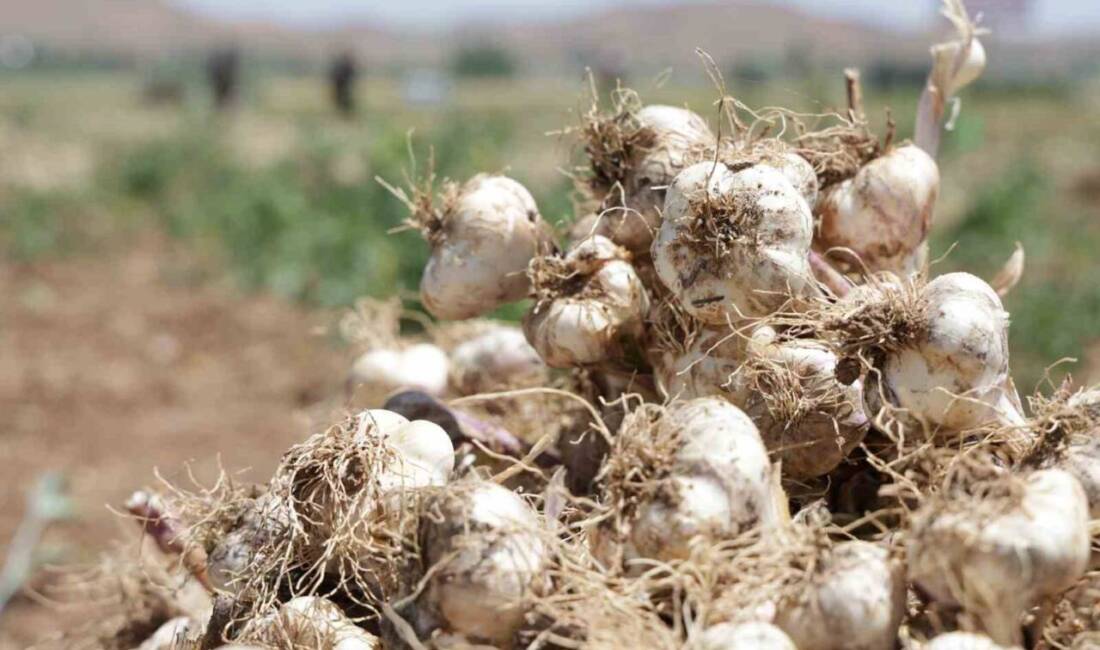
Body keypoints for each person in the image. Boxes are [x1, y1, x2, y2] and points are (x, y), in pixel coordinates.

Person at [329, 51, 358, 116]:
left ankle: (346, 113)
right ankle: (343, 112)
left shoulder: (344, 66)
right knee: (340, 99)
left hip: (344, 86)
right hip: (341, 86)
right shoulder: (342, 66)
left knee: (344, 99)